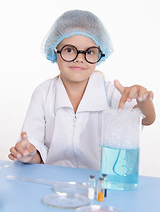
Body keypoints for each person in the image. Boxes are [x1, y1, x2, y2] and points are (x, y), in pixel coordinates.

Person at [8, 10, 156, 169]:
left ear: (100, 55)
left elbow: (146, 119)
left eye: (90, 52)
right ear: (55, 51)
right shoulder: (44, 93)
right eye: (70, 50)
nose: (79, 58)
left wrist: (143, 100)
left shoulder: (110, 93)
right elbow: (34, 148)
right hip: (53, 181)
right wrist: (29, 154)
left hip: (98, 184)